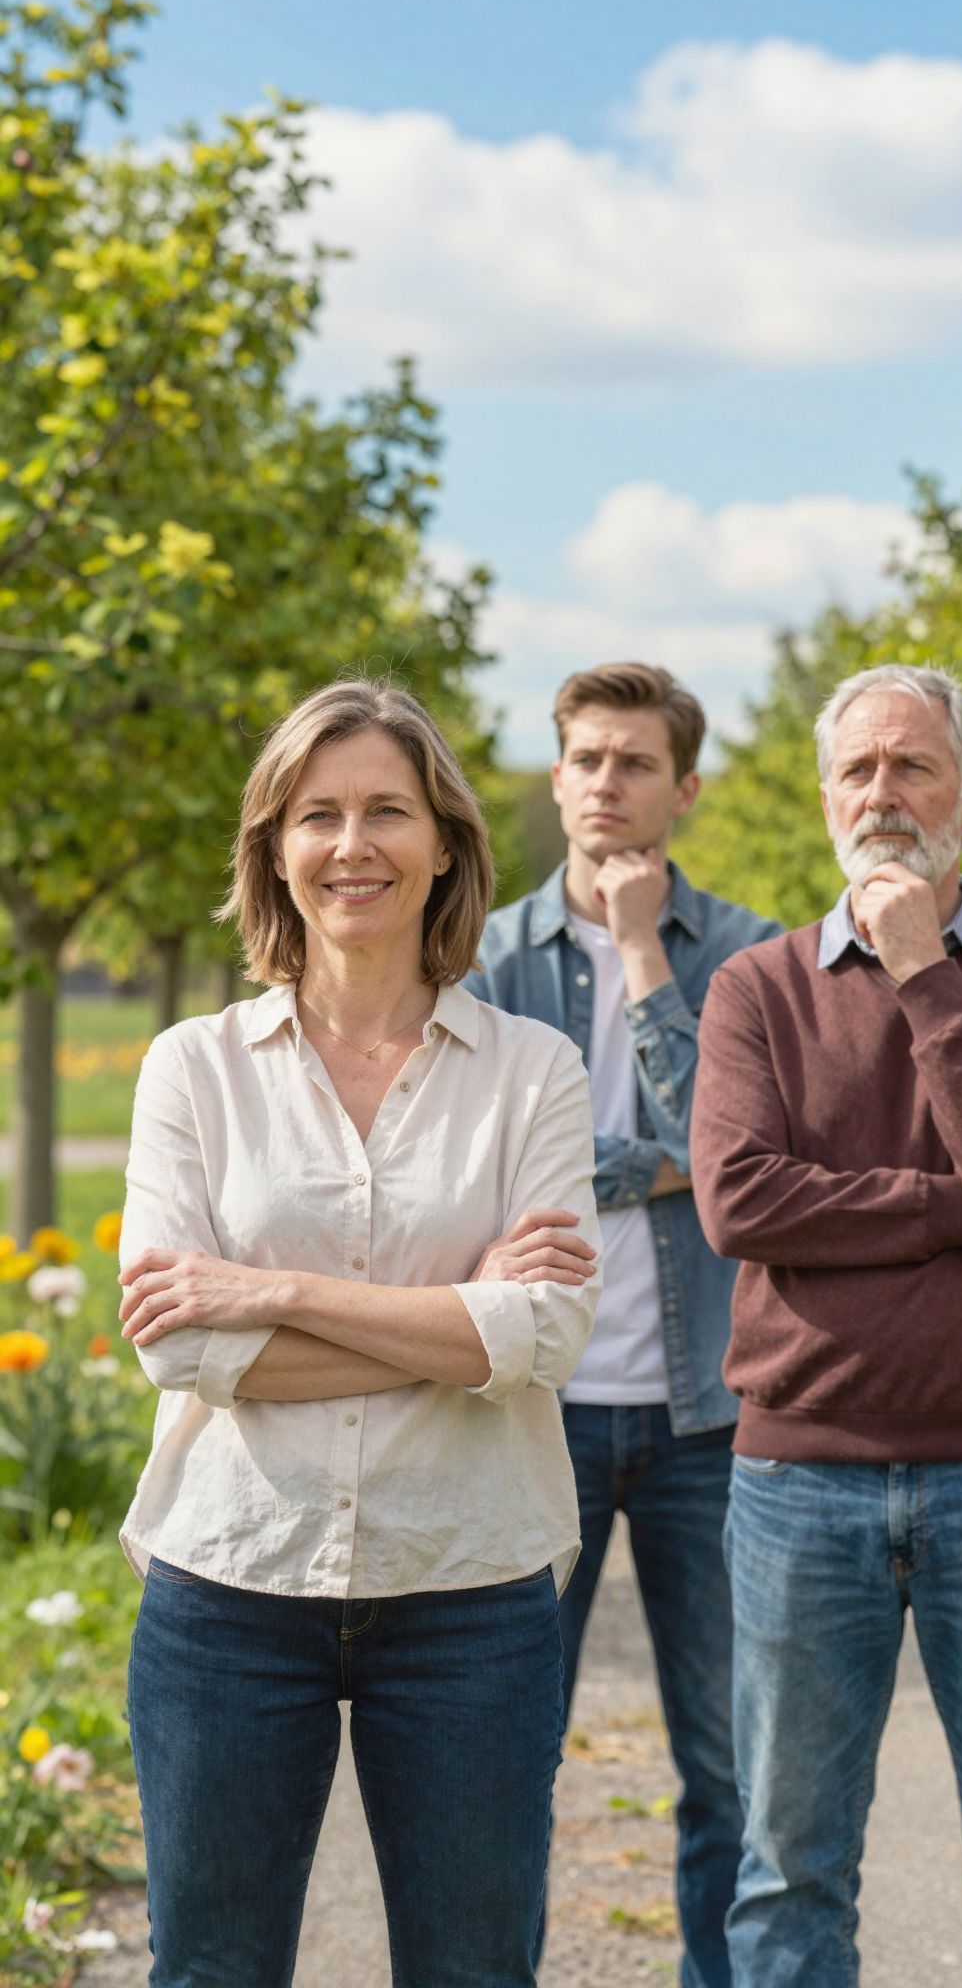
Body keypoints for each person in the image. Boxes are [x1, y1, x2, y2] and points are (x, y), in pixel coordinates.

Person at [116, 678, 603, 1988]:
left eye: (388, 809)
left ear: (445, 839)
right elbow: (180, 1351)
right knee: (211, 1970)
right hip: (231, 1582)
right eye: (318, 814)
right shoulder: (191, 1069)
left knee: (473, 1970)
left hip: (469, 1591)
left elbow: (545, 1333)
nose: (353, 845)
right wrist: (457, 1320)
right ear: (275, 847)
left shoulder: (533, 1072)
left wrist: (267, 1291)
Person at [691, 663, 962, 1988]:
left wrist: (925, 962)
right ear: (824, 798)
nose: (881, 793)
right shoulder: (757, 989)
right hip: (797, 1480)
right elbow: (744, 1202)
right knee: (787, 1872)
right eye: (857, 771)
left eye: (912, 768)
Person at [467, 661, 783, 1988]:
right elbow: (474, 1164)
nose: (608, 783)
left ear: (685, 787)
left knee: (730, 1764)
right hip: (526, 1414)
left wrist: (647, 951)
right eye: (587, 759)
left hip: (710, 1416)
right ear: (556, 777)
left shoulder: (756, 953)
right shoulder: (478, 955)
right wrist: (653, 1161)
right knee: (501, 1753)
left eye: (636, 762)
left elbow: (750, 1151)